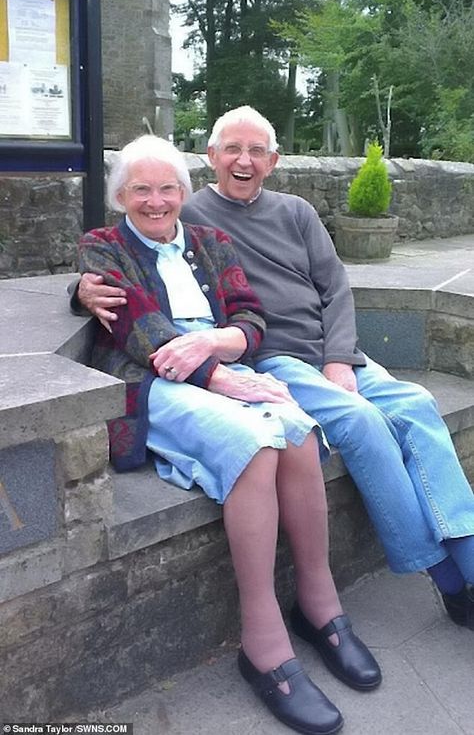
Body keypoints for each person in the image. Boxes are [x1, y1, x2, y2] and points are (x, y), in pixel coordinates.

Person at [76, 108, 474, 633]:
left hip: (333, 351)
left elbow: (335, 288)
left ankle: (468, 553)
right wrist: (80, 289)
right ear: (211, 158)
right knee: (361, 422)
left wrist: (340, 357)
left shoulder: (296, 211)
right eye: (232, 150)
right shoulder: (185, 210)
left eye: (256, 151)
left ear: (273, 161)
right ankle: (444, 574)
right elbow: (128, 253)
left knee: (418, 405)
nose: (244, 161)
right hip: (272, 356)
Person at [76, 134, 382, 735]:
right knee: (258, 442)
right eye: (141, 189)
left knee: (296, 430)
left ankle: (320, 607)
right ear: (120, 196)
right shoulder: (102, 247)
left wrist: (222, 344)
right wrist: (216, 374)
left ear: (183, 194)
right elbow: (137, 327)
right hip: (156, 381)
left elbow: (250, 316)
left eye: (168, 188)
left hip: (225, 365)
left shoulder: (212, 242)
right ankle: (262, 642)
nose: (157, 201)